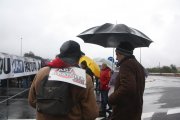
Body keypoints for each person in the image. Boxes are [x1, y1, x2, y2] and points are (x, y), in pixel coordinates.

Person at [28, 40, 99, 120]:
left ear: (60, 55)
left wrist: (48, 107)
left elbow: (32, 101)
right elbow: (91, 114)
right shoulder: (84, 78)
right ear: (78, 57)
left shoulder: (42, 72)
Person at [108, 42, 146, 120]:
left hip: (124, 112)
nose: (116, 58)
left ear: (122, 54)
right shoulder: (138, 65)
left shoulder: (126, 65)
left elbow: (128, 87)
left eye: (117, 54)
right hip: (135, 110)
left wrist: (112, 98)